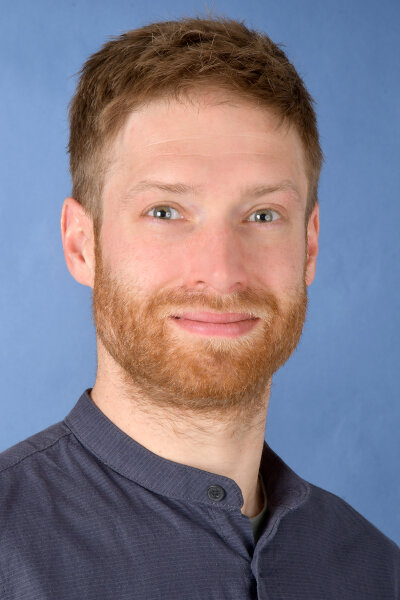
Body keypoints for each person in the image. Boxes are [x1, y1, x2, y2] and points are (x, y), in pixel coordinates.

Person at [0, 15, 398, 599]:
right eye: (165, 211)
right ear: (82, 244)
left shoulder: (378, 572)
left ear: (309, 246)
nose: (222, 272)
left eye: (263, 215)